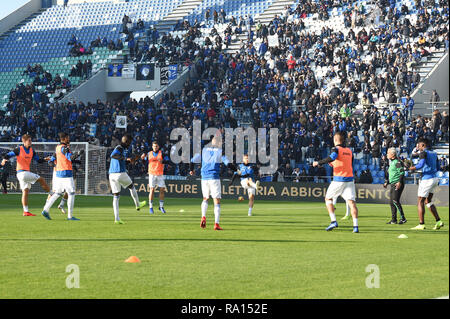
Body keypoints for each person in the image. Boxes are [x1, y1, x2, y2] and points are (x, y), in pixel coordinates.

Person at [313, 131, 359, 233]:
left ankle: (333, 221)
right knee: (352, 203)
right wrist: (334, 164)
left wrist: (318, 163)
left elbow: (332, 157)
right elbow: (347, 163)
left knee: (328, 198)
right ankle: (355, 226)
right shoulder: (349, 151)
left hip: (339, 179)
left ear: (336, 140)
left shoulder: (336, 149)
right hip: (350, 179)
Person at [189, 133, 236, 230]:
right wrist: (236, 169)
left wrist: (191, 170)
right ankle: (216, 224)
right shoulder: (220, 152)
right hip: (214, 177)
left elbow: (192, 160)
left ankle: (203, 216)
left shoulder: (204, 150)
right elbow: (228, 164)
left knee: (205, 198)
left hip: (204, 178)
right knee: (216, 201)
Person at [1, 134, 51, 216]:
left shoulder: (32, 150)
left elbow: (38, 160)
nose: (30, 142)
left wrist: (45, 159)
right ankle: (51, 193)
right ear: (24, 141)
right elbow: (8, 155)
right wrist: (4, 160)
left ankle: (26, 211)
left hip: (24, 174)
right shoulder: (19, 149)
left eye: (31, 140)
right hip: (22, 173)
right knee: (41, 179)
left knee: (25, 191)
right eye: (29, 140)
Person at [41, 132, 81, 221]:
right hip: (66, 173)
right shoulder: (65, 148)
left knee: (57, 193)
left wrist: (56, 166)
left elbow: (52, 161)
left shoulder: (57, 148)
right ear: (65, 138)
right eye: (68, 137)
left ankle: (45, 209)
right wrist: (78, 153)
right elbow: (70, 158)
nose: (69, 139)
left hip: (59, 173)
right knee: (71, 193)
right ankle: (70, 216)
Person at [108, 134, 147, 224]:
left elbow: (122, 159)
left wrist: (130, 160)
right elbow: (113, 156)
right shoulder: (119, 147)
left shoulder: (123, 149)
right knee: (131, 187)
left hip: (112, 175)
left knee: (116, 197)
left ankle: (117, 219)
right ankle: (138, 204)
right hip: (119, 173)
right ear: (126, 141)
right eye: (129, 143)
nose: (129, 145)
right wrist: (126, 158)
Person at [408, 138, 444, 230]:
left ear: (423, 145)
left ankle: (421, 224)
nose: (418, 147)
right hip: (435, 179)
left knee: (420, 201)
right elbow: (438, 167)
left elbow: (421, 165)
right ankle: (438, 221)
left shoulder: (423, 153)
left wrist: (411, 168)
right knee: (428, 201)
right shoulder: (434, 153)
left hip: (427, 179)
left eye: (419, 145)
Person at [141, 141, 168, 214]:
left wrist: (163, 161)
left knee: (162, 189)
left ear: (158, 147)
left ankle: (161, 207)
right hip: (152, 173)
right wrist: (143, 159)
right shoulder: (149, 154)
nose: (155, 147)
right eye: (154, 146)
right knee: (152, 190)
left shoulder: (162, 153)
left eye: (156, 146)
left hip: (160, 173)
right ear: (152, 147)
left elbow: (168, 161)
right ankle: (150, 207)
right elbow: (145, 163)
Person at [383, 148, 407, 224]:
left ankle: (403, 218)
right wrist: (387, 182)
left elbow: (402, 172)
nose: (387, 154)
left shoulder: (397, 162)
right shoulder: (392, 162)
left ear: (392, 154)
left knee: (395, 201)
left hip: (398, 183)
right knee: (391, 202)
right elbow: (392, 174)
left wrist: (399, 182)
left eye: (388, 153)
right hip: (393, 183)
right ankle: (394, 220)